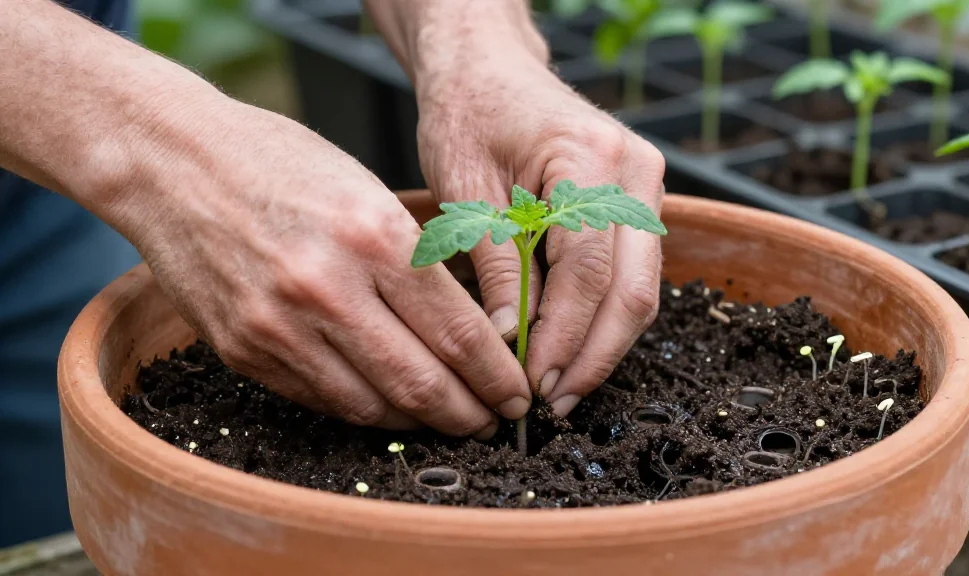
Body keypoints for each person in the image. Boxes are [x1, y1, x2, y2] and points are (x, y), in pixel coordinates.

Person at [0, 0, 666, 546]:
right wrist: (158, 148)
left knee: (52, 513)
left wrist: (476, 46)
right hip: (58, 97)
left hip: (51, 123)